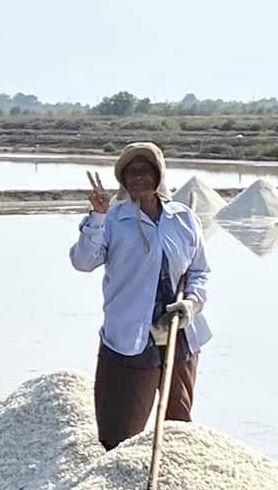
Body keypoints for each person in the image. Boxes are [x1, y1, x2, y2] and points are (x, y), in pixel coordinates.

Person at [69, 141, 210, 449]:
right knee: (118, 431)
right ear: (122, 178)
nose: (137, 178)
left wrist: (191, 303)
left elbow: (199, 271)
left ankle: (174, 476)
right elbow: (82, 262)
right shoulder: (113, 220)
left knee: (177, 424)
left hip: (175, 327)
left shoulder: (182, 219)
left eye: (145, 171)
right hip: (131, 330)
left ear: (158, 176)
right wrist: (96, 217)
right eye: (130, 172)